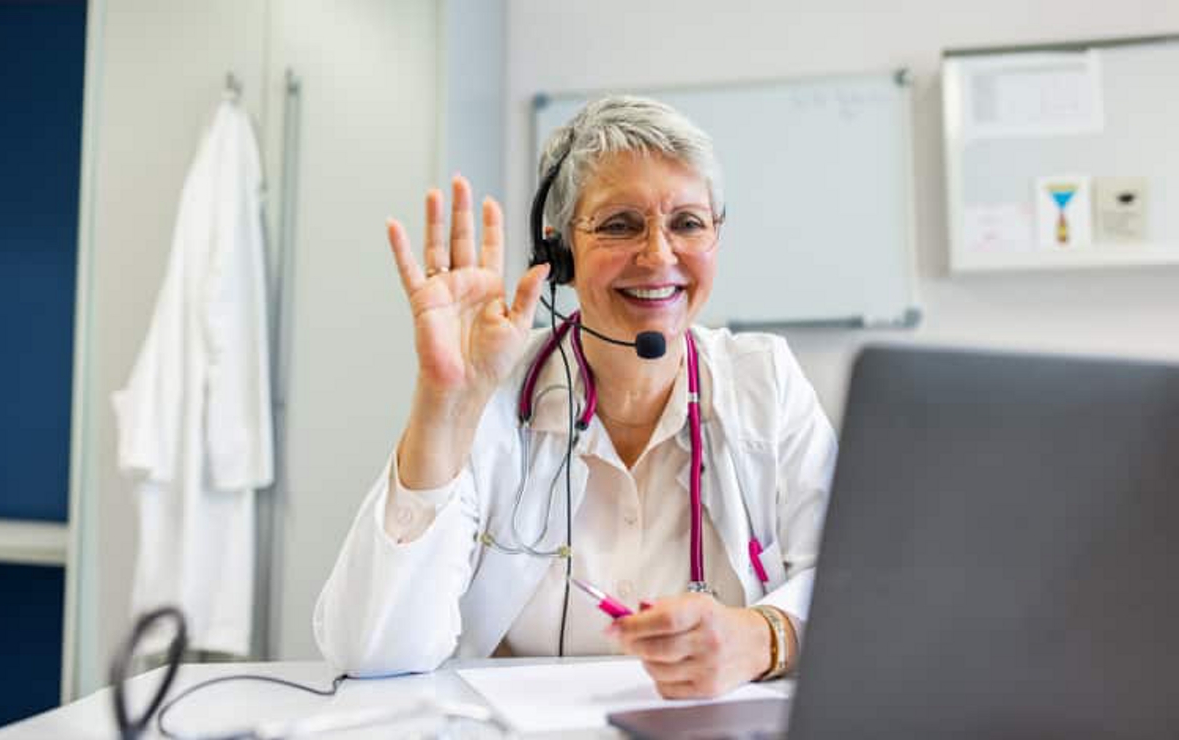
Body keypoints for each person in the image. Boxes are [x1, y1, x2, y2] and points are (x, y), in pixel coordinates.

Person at [314, 96, 837, 699]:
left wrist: (764, 635)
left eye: (687, 223)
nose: (659, 255)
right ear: (559, 251)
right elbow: (373, 651)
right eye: (620, 224)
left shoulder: (764, 381)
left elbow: (854, 586)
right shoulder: (497, 390)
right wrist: (446, 405)